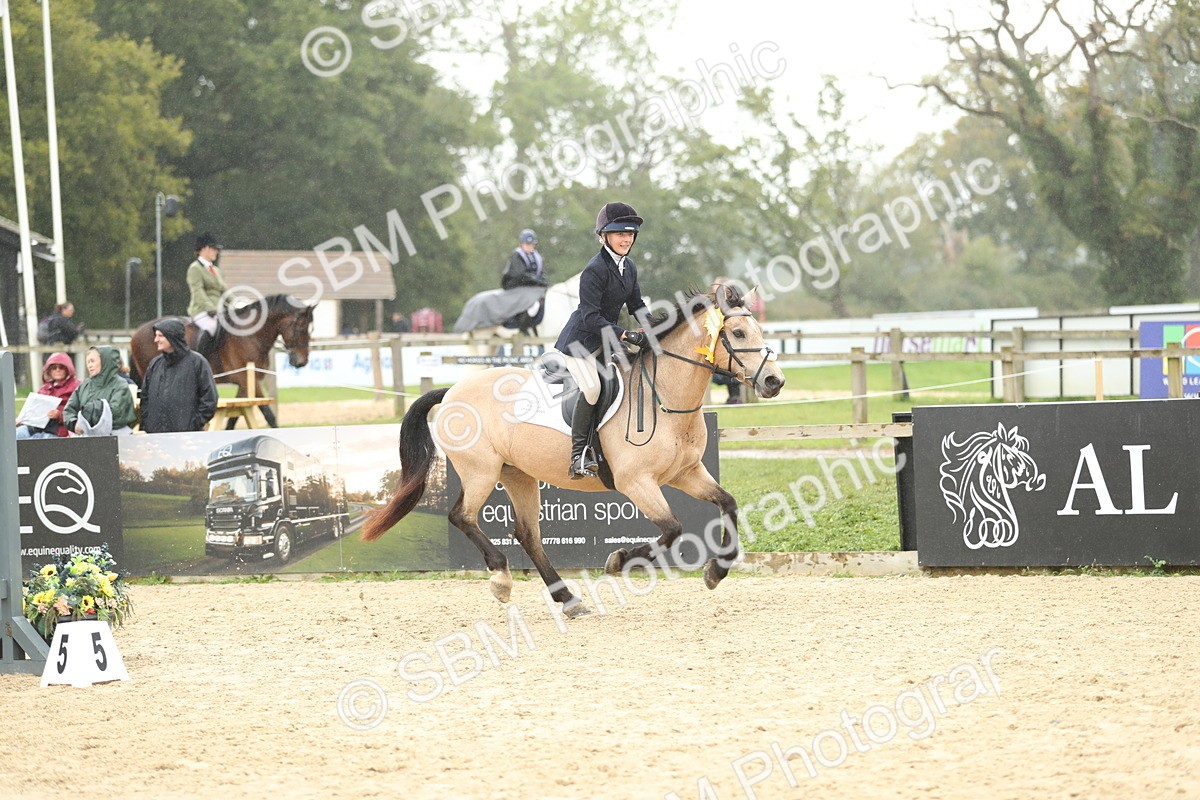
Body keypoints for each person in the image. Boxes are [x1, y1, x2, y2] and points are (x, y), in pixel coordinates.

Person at [553, 202, 652, 479]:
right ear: (604, 236)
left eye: (630, 234)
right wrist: (624, 334)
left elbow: (637, 305)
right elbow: (590, 318)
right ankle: (578, 455)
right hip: (580, 344)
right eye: (619, 233)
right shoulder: (594, 270)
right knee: (594, 388)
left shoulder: (628, 267)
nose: (626, 239)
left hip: (605, 342)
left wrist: (655, 329)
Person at [139, 319, 219, 433]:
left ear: (172, 337)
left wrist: (193, 424)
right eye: (156, 335)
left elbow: (209, 399)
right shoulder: (155, 364)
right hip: (156, 435)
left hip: (186, 437)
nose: (156, 340)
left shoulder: (197, 362)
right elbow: (145, 397)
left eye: (160, 336)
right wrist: (148, 423)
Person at [62, 346, 138, 436]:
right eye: (88, 362)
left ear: (105, 361)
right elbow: (69, 409)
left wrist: (86, 419)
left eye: (92, 361)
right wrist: (74, 424)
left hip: (116, 437)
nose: (89, 365)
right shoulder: (84, 385)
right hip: (87, 437)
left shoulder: (120, 385)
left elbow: (116, 413)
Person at [14, 352, 80, 439]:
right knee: (19, 433)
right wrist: (22, 420)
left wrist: (59, 415)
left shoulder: (76, 387)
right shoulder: (44, 389)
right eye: (53, 367)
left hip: (58, 430)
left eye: (61, 367)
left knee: (44, 439)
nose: (57, 370)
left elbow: (78, 412)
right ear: (49, 370)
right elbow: (32, 410)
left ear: (68, 369)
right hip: (36, 427)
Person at [186, 231, 229, 358]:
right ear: (204, 249)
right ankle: (201, 360)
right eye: (214, 249)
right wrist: (210, 308)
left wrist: (240, 304)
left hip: (218, 311)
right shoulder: (195, 268)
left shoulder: (216, 270)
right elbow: (197, 291)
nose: (216, 252)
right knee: (212, 328)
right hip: (202, 311)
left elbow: (224, 292)